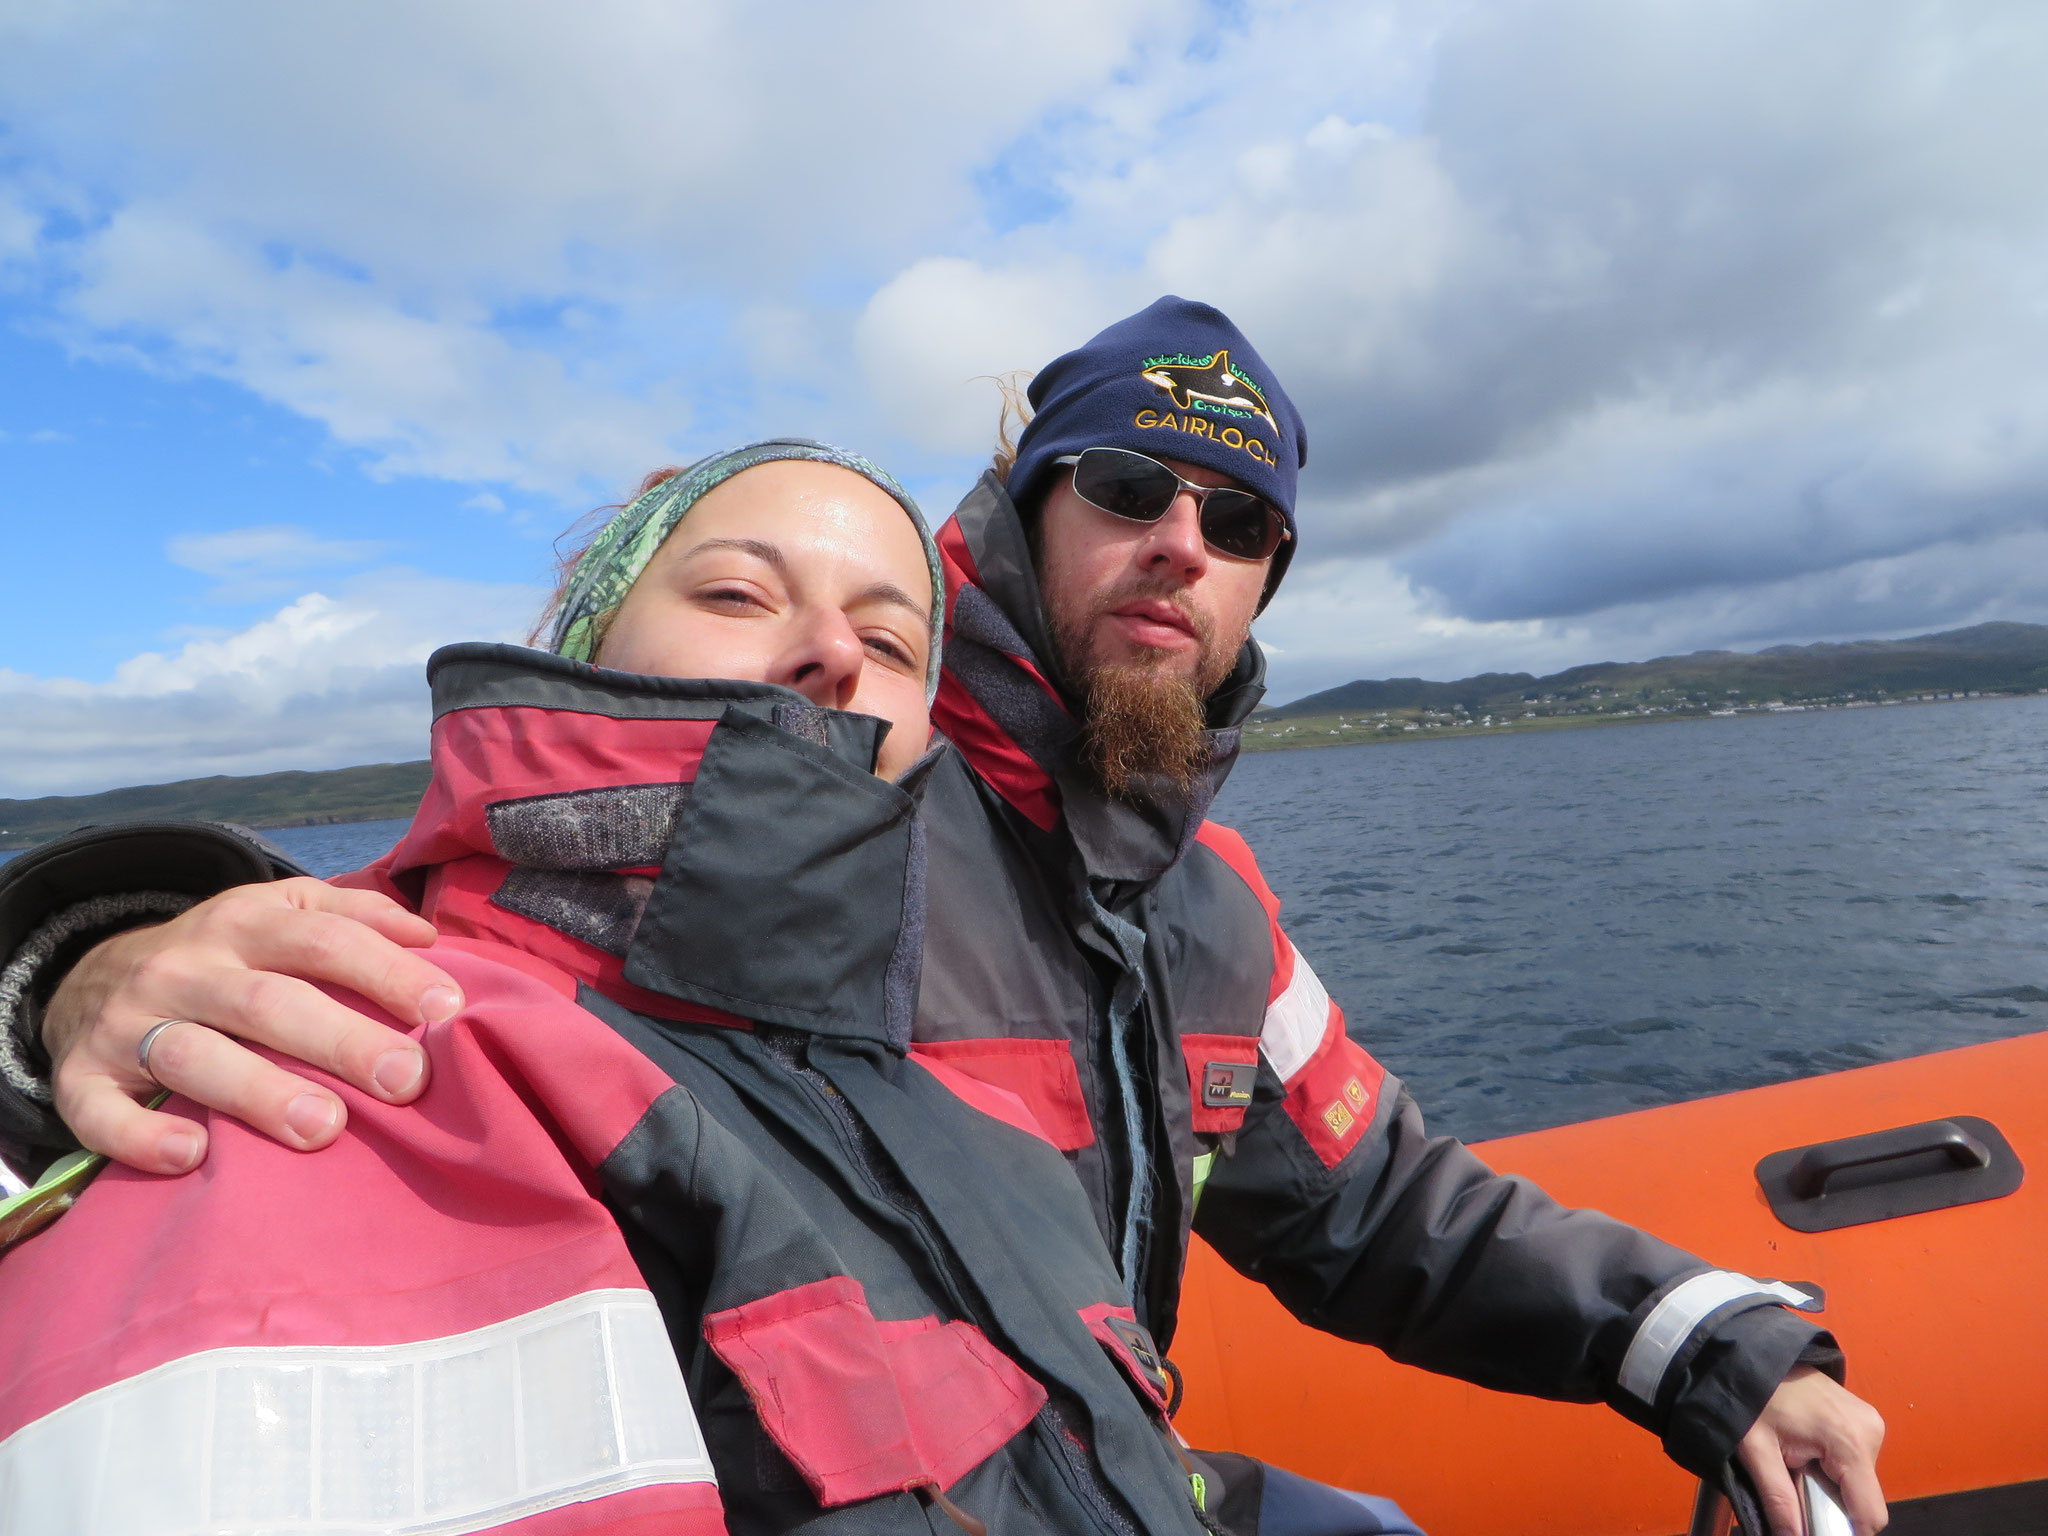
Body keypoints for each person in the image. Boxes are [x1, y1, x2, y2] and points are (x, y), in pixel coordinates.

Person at [0, 300, 1886, 1536]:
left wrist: (1709, 1341)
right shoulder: (835, 830)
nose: (1182, 544)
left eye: (1239, 527)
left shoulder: (1207, 908)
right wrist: (88, 959)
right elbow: (508, 926)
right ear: (1015, 515)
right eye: (1130, 485)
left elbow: (1384, 1202)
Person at [0, 440, 1224, 1536]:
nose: (836, 650)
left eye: (894, 639)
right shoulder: (363, 1043)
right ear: (582, 644)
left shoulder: (984, 1131)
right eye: (738, 592)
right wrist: (65, 965)